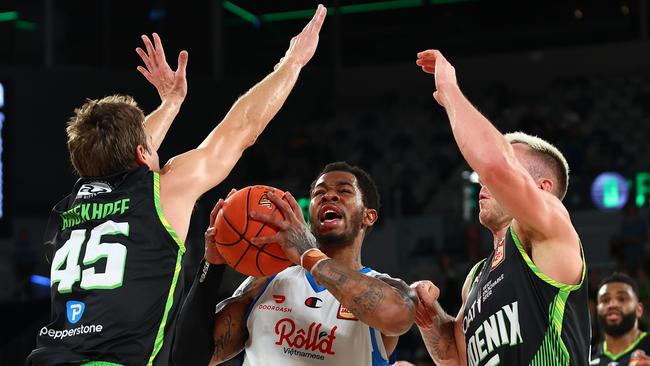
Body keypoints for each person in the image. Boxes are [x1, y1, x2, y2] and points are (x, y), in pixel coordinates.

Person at [27, 4, 326, 364]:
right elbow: (240, 130)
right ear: (142, 152)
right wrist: (292, 62)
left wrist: (171, 102)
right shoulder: (161, 191)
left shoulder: (73, 204)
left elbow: (123, 153)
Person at [410, 49, 590, 365]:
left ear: (542, 189)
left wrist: (450, 91)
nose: (484, 181)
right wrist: (428, 314)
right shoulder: (476, 277)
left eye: (513, 169)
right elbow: (455, 360)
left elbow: (494, 165)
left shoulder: (552, 225)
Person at [172, 161, 418, 365]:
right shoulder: (266, 282)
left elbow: (395, 315)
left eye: (344, 191)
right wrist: (212, 265)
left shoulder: (386, 287)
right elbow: (187, 360)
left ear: (369, 216)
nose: (329, 195)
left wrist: (307, 253)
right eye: (319, 193)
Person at [591, 272, 650, 366]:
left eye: (622, 299)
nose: (612, 305)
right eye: (605, 300)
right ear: (597, 310)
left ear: (639, 309)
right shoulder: (588, 357)